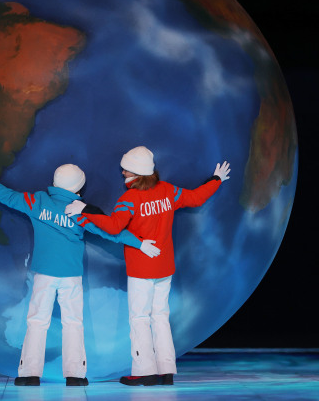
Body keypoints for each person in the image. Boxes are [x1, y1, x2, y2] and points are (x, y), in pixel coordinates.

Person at [0, 162, 161, 387]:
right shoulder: (81, 211)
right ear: (79, 187)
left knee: (37, 321)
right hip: (71, 276)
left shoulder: (38, 201)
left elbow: (8, 197)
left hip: (44, 274)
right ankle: (75, 375)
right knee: (73, 323)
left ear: (54, 182)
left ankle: (29, 374)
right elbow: (111, 232)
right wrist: (139, 243)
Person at [65, 146, 230, 386]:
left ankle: (144, 372)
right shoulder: (168, 191)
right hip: (165, 267)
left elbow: (112, 227)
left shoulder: (130, 199)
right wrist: (216, 180)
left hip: (141, 269)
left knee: (139, 318)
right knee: (161, 317)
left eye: (126, 169)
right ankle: (166, 371)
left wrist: (86, 210)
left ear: (136, 173)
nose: (122, 172)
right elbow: (196, 198)